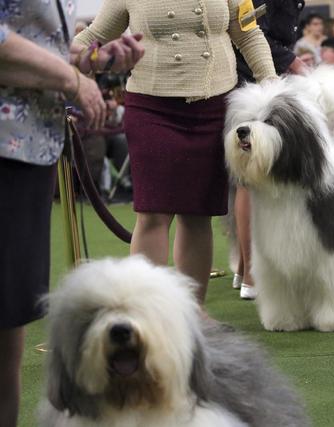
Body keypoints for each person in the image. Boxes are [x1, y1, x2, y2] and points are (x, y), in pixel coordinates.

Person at [74, 0, 278, 304]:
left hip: (215, 107)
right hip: (152, 108)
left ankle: (192, 312)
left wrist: (273, 86)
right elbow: (88, 41)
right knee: (153, 214)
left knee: (197, 215)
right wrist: (83, 79)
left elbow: (248, 33)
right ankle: (146, 311)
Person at [0, 1, 143, 426]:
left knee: (9, 324)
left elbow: (26, 38)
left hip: (26, 147)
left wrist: (89, 58)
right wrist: (72, 79)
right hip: (8, 149)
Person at [234, 0, 309, 300]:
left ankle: (242, 268)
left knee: (265, 175)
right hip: (250, 80)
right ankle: (253, 271)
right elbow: (249, 32)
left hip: (271, 77)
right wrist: (294, 62)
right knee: (250, 176)